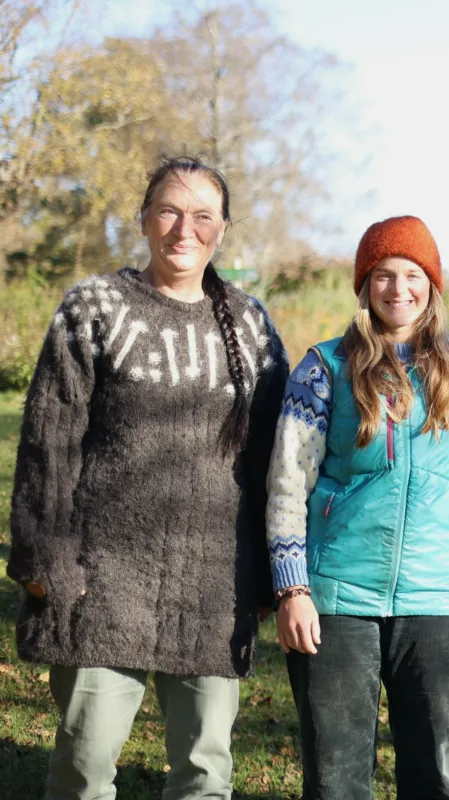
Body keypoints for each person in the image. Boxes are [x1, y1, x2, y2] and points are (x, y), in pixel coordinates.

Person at [7, 156, 288, 800]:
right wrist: (48, 560)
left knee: (205, 776)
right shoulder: (94, 307)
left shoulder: (251, 324)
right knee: (84, 772)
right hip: (101, 583)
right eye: (168, 210)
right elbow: (49, 443)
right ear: (142, 219)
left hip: (216, 587)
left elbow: (277, 456)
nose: (182, 229)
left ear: (223, 229)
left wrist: (275, 571)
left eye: (201, 216)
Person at [264, 215, 449, 800]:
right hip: (335, 598)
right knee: (337, 779)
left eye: (412, 274)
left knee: (436, 777)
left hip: (434, 598)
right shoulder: (323, 369)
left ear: (431, 285)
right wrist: (293, 589)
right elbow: (286, 484)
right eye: (383, 274)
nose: (398, 289)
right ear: (364, 285)